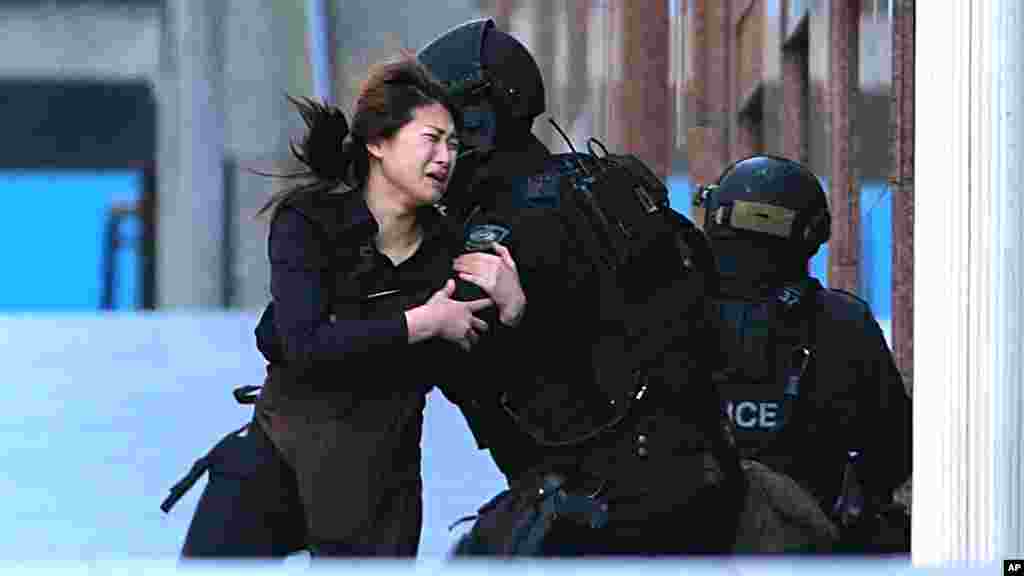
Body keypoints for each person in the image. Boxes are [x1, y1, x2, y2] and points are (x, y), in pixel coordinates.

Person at [166, 54, 526, 559]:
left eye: (453, 145)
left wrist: (511, 310)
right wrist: (421, 322)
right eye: (431, 139)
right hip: (279, 455)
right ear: (378, 143)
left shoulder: (450, 251)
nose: (446, 157)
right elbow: (304, 341)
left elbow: (475, 381)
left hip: (378, 488)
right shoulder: (310, 222)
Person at [418, 19, 745, 556]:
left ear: (481, 118)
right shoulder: (613, 183)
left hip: (596, 495)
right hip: (702, 469)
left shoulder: (499, 229)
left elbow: (464, 356)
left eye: (445, 126)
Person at [695, 154, 912, 553]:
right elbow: (894, 451)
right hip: (814, 546)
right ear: (813, 235)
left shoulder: (668, 312)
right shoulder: (844, 321)